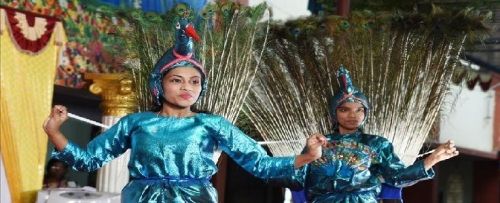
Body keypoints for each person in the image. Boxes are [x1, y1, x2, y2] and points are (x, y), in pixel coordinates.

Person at [42, 17, 324, 202]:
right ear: (158, 85)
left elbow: (261, 165)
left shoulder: (212, 125)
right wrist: (54, 131)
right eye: (177, 80)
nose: (186, 87)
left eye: (194, 81)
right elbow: (88, 161)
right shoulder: (135, 123)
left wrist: (307, 156)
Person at [282, 66, 459, 203]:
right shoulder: (317, 143)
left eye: (359, 110)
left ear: (366, 113)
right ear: (334, 113)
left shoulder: (377, 144)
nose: (353, 115)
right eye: (345, 109)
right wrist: (305, 156)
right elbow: (296, 182)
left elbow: (397, 177)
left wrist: (433, 159)